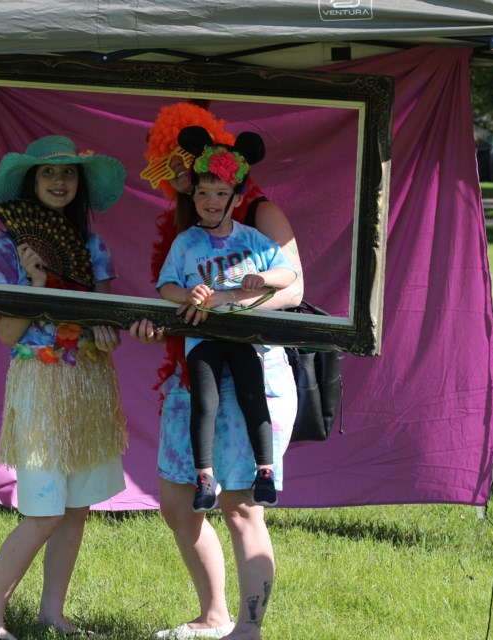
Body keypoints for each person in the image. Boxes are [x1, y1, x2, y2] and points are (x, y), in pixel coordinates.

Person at [133, 102, 303, 640]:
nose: (184, 173)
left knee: (241, 508)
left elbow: (295, 287)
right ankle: (213, 615)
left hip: (255, 369)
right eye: (173, 164)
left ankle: (247, 631)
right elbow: (172, 297)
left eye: (191, 160)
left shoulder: (259, 214)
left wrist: (227, 301)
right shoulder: (185, 230)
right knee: (177, 502)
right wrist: (164, 320)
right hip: (197, 371)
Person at [0, 135, 128, 640]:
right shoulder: (7, 245)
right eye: (47, 173)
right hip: (41, 383)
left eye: (68, 174)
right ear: (31, 182)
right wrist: (36, 283)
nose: (59, 182)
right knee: (42, 513)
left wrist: (106, 334)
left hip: (89, 380)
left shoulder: (91, 245)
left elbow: (107, 324)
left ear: (79, 185)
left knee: (76, 510)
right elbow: (7, 332)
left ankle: (52, 615)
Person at [157, 126, 297, 512]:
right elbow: (165, 286)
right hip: (202, 337)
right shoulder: (185, 242)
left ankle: (265, 472)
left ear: (237, 198)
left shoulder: (252, 238)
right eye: (203, 193)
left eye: (221, 194)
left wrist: (262, 279)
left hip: (244, 336)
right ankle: (204, 477)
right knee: (205, 401)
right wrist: (188, 295)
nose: (211, 201)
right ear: (193, 195)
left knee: (254, 396)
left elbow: (290, 276)